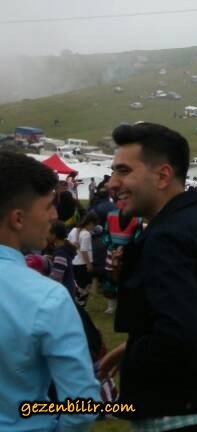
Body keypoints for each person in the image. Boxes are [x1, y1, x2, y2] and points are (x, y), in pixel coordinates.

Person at [97, 123, 197, 427]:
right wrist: (131, 346)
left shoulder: (167, 237)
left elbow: (176, 336)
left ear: (163, 176)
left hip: (181, 413)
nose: (112, 184)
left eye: (123, 171)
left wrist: (137, 358)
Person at [0, 151, 101, 432]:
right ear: (18, 219)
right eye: (48, 206)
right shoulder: (46, 297)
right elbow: (82, 406)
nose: (55, 215)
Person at [70, 212, 99, 299]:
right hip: (83, 264)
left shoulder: (73, 230)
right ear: (90, 223)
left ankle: (76, 299)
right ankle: (80, 303)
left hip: (74, 262)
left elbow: (68, 243)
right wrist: (88, 264)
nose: (93, 228)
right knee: (84, 288)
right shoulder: (86, 234)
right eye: (94, 225)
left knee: (77, 285)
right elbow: (84, 251)